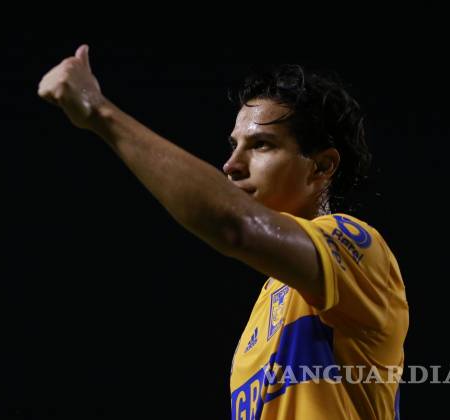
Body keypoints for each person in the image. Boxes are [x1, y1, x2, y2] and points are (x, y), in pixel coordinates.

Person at [38, 45, 409, 419]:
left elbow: (236, 226)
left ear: (322, 166)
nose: (231, 165)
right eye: (234, 146)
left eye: (261, 145)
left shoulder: (354, 248)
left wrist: (99, 112)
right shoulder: (267, 307)